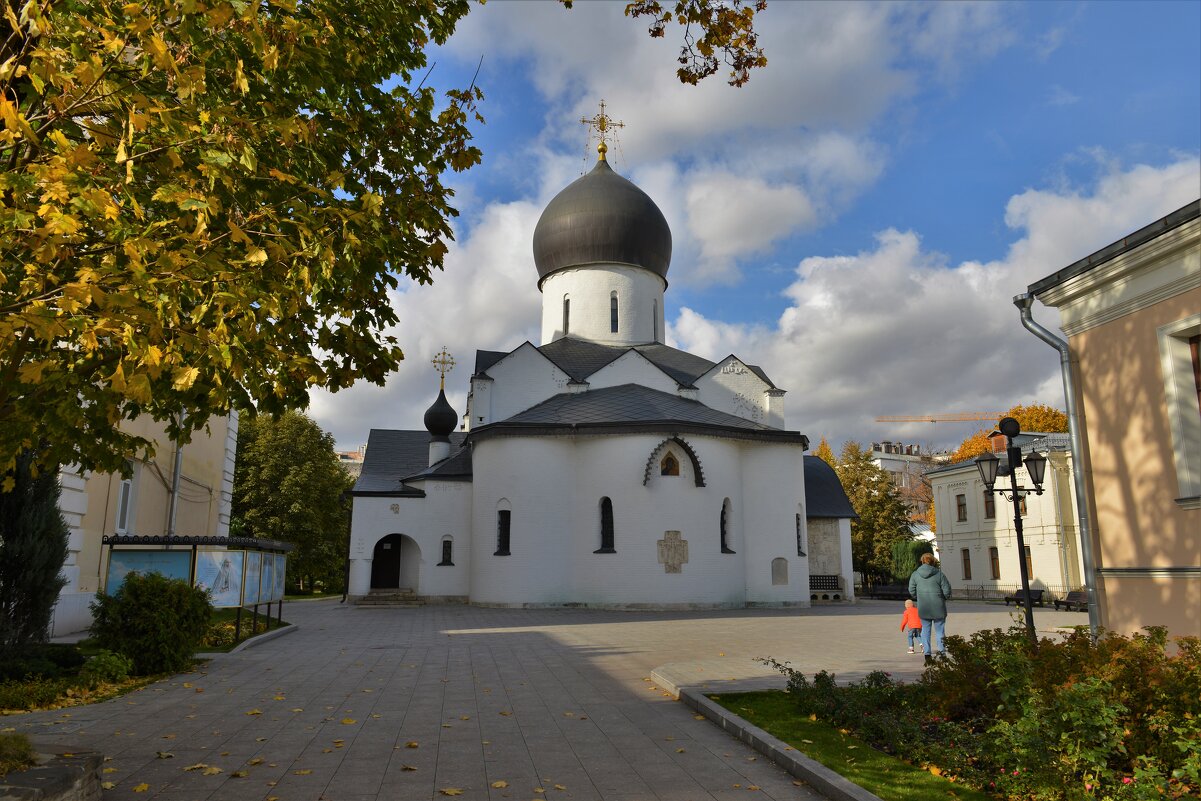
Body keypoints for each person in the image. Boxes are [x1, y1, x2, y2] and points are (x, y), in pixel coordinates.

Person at [908, 552, 952, 663]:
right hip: (938, 607)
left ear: (922, 561)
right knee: (940, 631)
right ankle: (942, 653)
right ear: (933, 562)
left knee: (925, 631)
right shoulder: (939, 574)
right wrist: (942, 598)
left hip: (924, 607)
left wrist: (919, 597)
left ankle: (927, 654)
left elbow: (911, 590)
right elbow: (947, 590)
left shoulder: (915, 574)